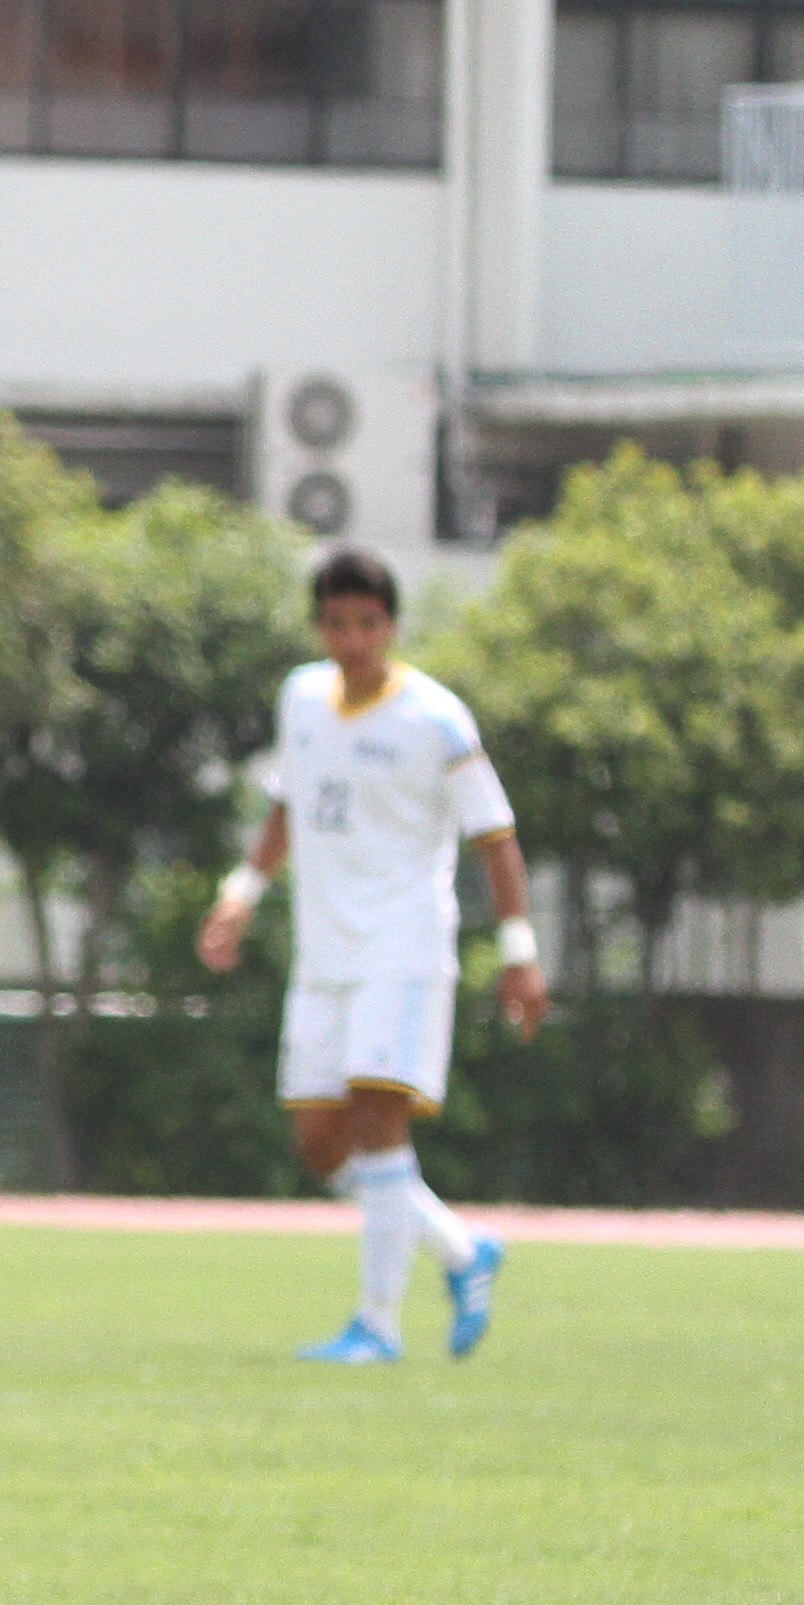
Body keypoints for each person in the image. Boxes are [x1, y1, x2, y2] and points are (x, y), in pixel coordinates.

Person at [193, 546, 548, 1364]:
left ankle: (377, 1327)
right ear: (320, 626)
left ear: (391, 626)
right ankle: (463, 1251)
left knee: (378, 1118)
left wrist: (520, 952)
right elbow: (289, 803)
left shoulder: (436, 718)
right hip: (324, 955)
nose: (353, 639)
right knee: (320, 1142)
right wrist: (240, 894)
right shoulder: (301, 698)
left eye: (369, 623)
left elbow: (495, 837)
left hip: (405, 947)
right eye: (338, 623)